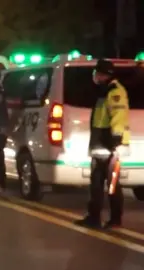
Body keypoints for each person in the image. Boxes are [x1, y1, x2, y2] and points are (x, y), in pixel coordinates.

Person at [75, 59, 130, 229]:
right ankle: (94, 217)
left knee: (112, 184)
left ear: (103, 75)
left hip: (110, 146)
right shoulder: (103, 92)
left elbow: (118, 119)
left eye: (97, 73)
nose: (95, 76)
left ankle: (115, 219)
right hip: (100, 145)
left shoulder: (114, 92)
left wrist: (117, 143)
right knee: (96, 184)